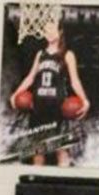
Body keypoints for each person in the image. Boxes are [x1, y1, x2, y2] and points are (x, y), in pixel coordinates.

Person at [9, 19, 91, 167]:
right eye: (46, 29)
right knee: (38, 155)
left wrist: (85, 100)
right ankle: (35, 187)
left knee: (62, 153)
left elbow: (75, 81)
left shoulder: (67, 54)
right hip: (39, 110)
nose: (48, 32)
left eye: (52, 29)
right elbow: (30, 77)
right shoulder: (40, 54)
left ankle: (64, 187)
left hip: (58, 110)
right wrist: (16, 94)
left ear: (60, 32)